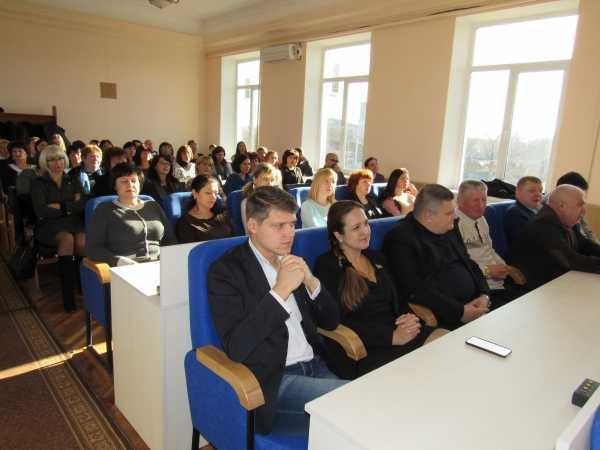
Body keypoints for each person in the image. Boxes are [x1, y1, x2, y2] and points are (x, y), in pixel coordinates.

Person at [207, 186, 346, 435]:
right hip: (276, 379)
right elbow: (237, 347)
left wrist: (311, 281)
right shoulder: (226, 272)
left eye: (292, 224)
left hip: (315, 365)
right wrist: (280, 291)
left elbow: (331, 321)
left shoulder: (291, 260)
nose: (289, 234)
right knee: (353, 406)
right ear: (252, 226)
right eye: (279, 226)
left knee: (363, 405)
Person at [315, 201, 446, 377]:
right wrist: (392, 337)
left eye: (366, 224)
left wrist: (409, 318)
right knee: (425, 369)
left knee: (447, 340)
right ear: (339, 235)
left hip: (399, 331)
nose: (365, 231)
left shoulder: (376, 257)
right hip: (367, 346)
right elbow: (337, 320)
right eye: (356, 228)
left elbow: (399, 298)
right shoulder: (327, 266)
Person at [383, 184, 491, 330]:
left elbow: (469, 263)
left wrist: (484, 294)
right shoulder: (401, 238)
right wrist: (460, 312)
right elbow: (415, 290)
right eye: (449, 213)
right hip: (443, 317)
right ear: (428, 216)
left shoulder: (449, 228)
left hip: (475, 305)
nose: (455, 216)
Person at [508, 184, 600, 291]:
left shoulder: (565, 221)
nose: (584, 211)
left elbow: (585, 245)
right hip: (534, 291)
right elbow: (570, 260)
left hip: (557, 282)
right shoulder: (544, 225)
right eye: (580, 205)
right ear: (561, 206)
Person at [86, 162, 176, 266]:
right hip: (126, 267)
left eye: (134, 181)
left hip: (160, 265)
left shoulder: (153, 205)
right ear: (115, 186)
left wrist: (166, 257)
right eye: (124, 181)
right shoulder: (104, 210)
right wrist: (117, 261)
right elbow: (93, 249)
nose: (130, 185)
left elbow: (170, 239)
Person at [31, 145, 85, 311]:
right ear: (45, 162)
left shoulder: (73, 179)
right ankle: (68, 298)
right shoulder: (38, 183)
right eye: (52, 160)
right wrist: (69, 205)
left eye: (60, 158)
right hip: (49, 226)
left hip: (73, 222)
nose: (57, 163)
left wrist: (59, 206)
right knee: (67, 239)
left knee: (82, 241)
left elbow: (82, 204)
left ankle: (84, 288)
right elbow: (41, 210)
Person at [456, 180, 523, 305]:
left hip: (496, 284)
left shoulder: (482, 220)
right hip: (477, 289)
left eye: (484, 200)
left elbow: (489, 249)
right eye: (475, 200)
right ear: (460, 201)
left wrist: (504, 267)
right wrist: (487, 271)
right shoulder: (454, 225)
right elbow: (457, 265)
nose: (481, 205)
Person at [176, 175, 233, 243]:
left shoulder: (222, 214)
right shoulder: (185, 223)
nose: (213, 197)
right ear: (195, 193)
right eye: (208, 193)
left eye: (216, 193)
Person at [556, 171, 598, 242]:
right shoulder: (547, 216)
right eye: (578, 197)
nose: (583, 211)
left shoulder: (577, 210)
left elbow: (588, 233)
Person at [241, 163, 280, 233]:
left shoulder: (278, 201)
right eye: (265, 179)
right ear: (255, 180)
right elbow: (251, 232)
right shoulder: (247, 203)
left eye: (272, 180)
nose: (270, 184)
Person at [504, 176, 543, 246]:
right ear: (518, 193)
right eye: (532, 191)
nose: (538, 194)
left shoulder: (537, 210)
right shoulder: (515, 213)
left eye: (540, 191)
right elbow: (527, 243)